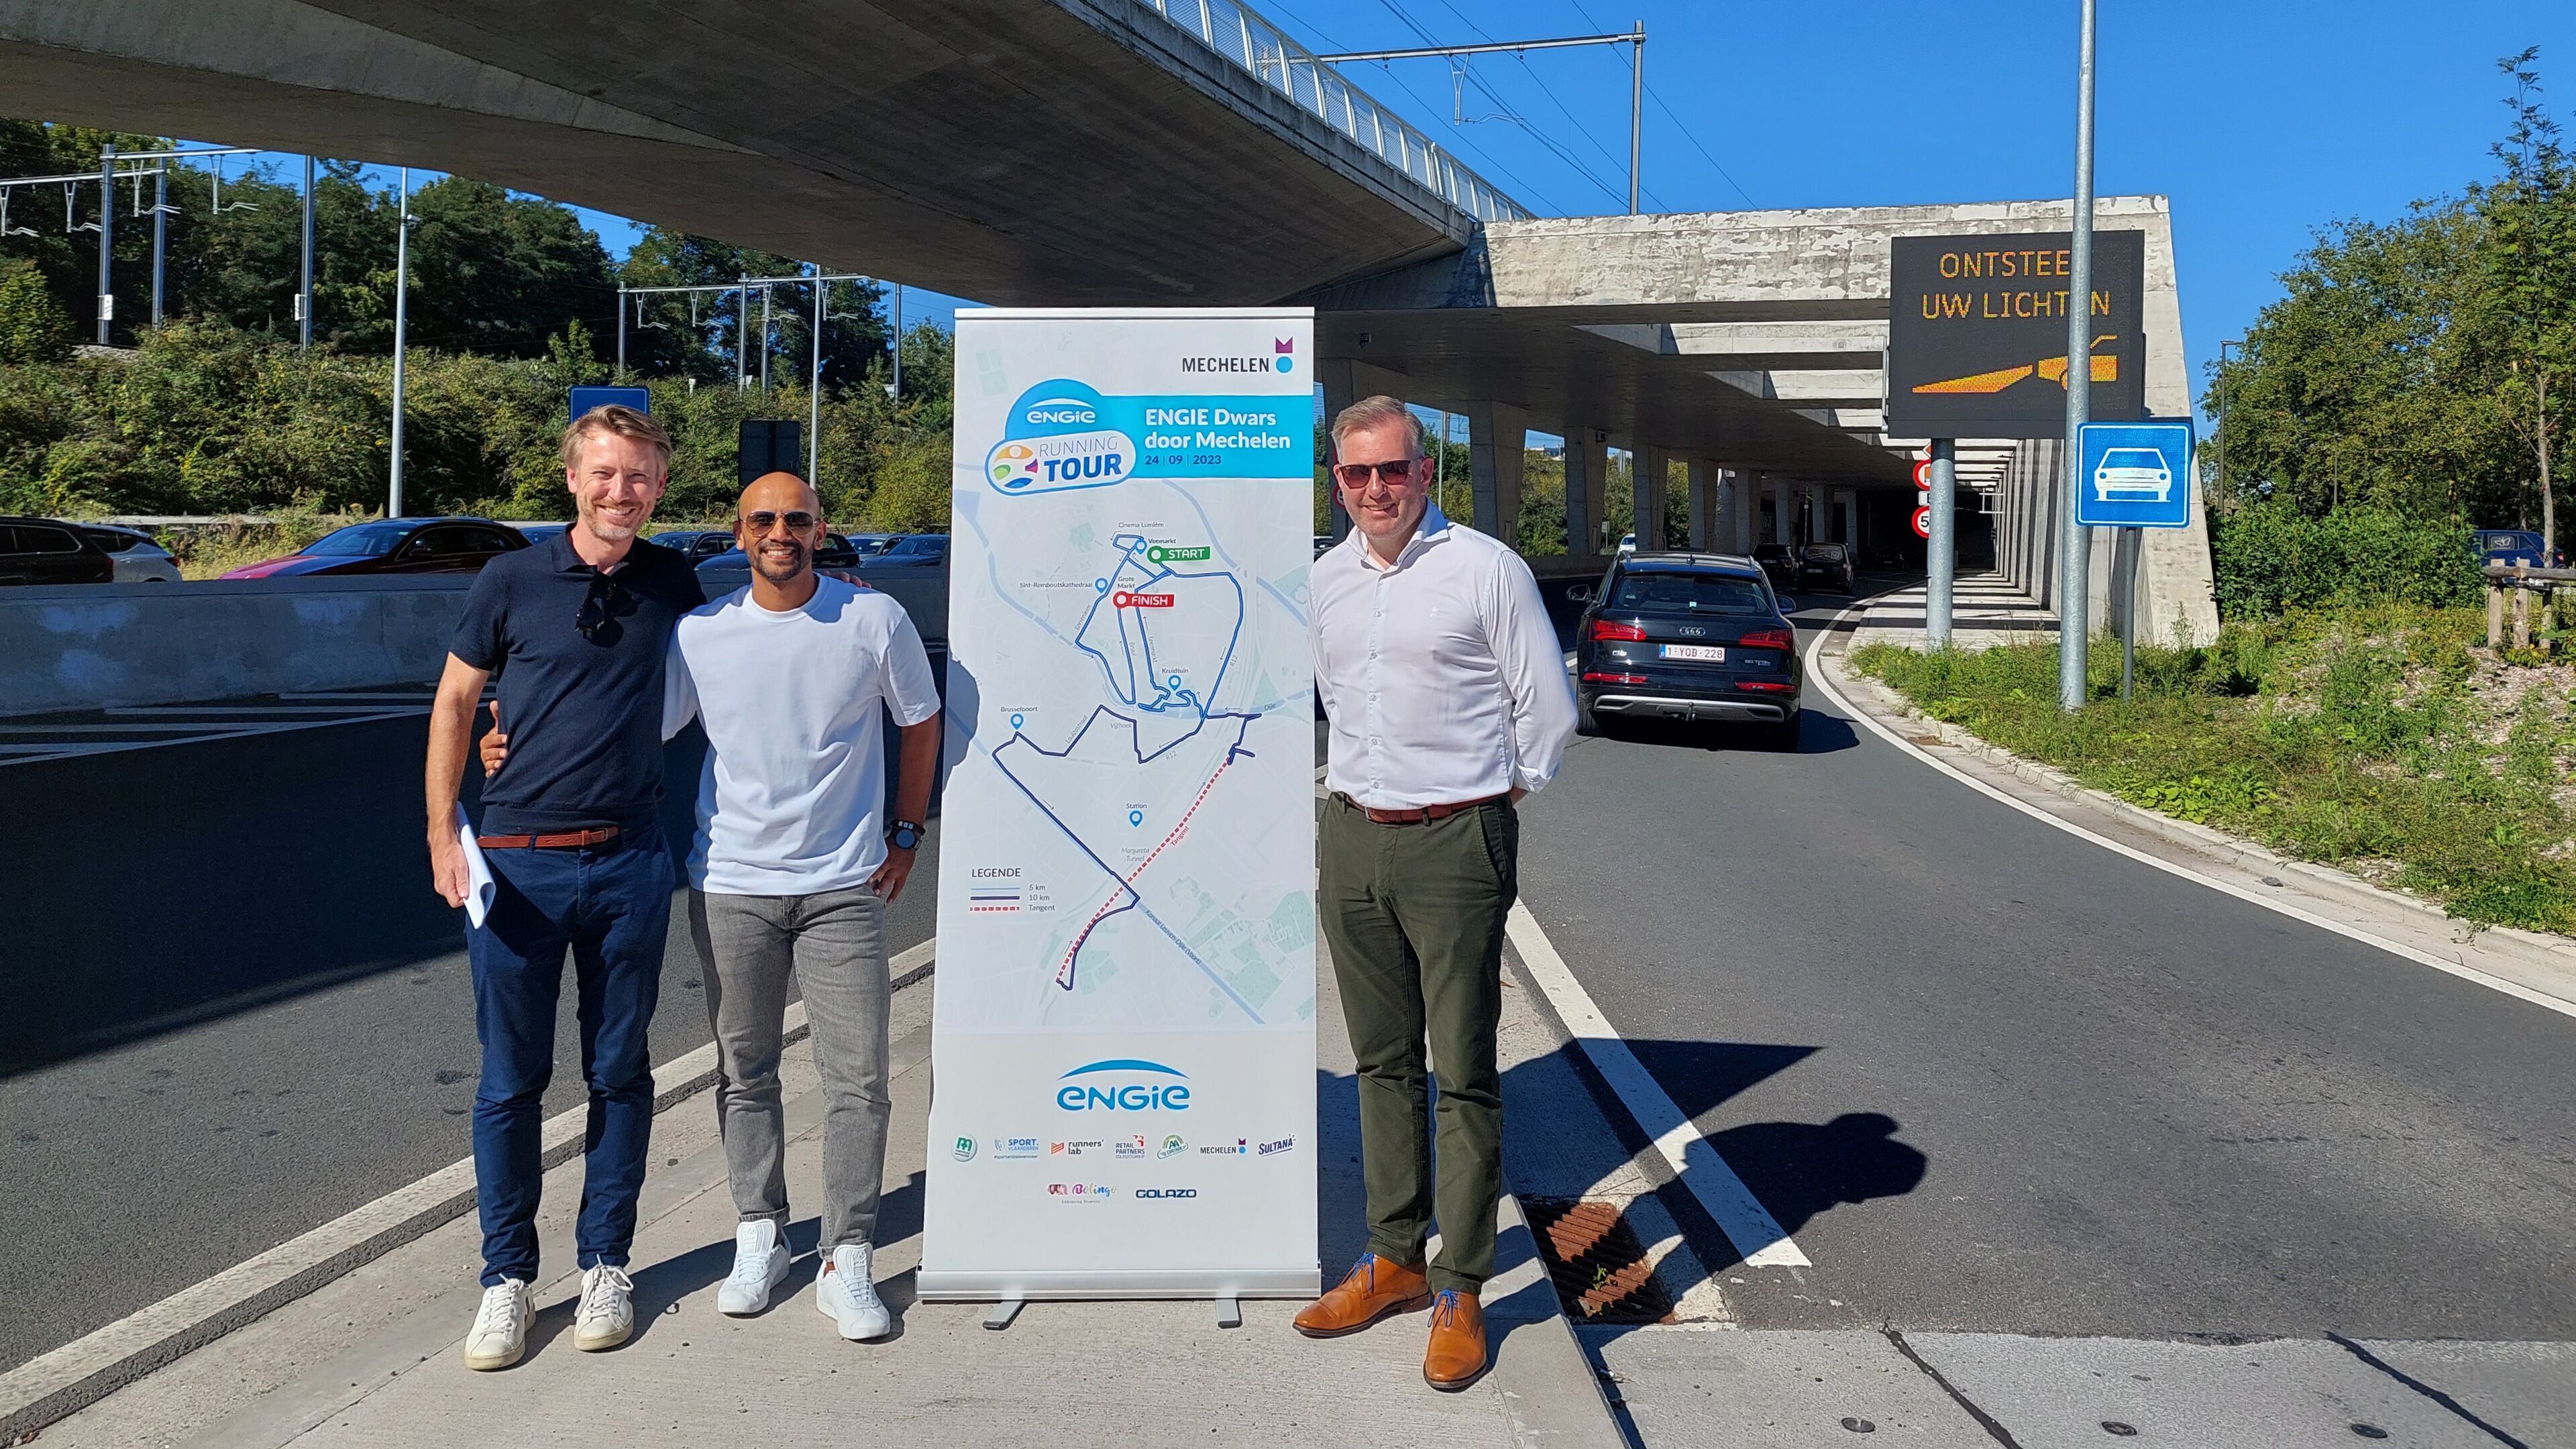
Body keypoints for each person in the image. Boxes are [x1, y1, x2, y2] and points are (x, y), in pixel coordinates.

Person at [482, 471, 942, 1342]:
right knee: (745, 1070)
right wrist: (511, 736)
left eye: (798, 519)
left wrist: (908, 833)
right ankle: (761, 1233)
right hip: (731, 884)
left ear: (821, 530)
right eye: (764, 520)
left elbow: (920, 721)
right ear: (739, 535)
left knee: (858, 1078)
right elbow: (623, 722)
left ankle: (846, 1255)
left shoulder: (872, 619)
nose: (781, 533)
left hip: (842, 887)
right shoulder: (701, 634)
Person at [1295, 394, 1577, 1391]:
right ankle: (1395, 1259)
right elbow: (1329, 701)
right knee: (1380, 1063)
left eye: (1394, 469)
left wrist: (1494, 797)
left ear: (1426, 472)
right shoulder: (1324, 580)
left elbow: (1548, 706)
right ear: (1338, 482)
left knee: (1463, 1070)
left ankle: (1461, 1285)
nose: (1377, 488)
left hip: (1456, 837)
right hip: (1352, 834)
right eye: (1357, 472)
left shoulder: (1485, 569)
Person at [425, 404, 705, 1371]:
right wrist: (443, 833)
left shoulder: (675, 581)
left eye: (640, 476)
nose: (622, 491)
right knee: (511, 1082)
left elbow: (747, 651)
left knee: (620, 1072)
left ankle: (605, 1265)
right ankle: (506, 1279)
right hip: (516, 862)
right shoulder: (509, 579)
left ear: (658, 489)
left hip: (631, 860)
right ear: (574, 479)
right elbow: (456, 701)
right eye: (606, 473)